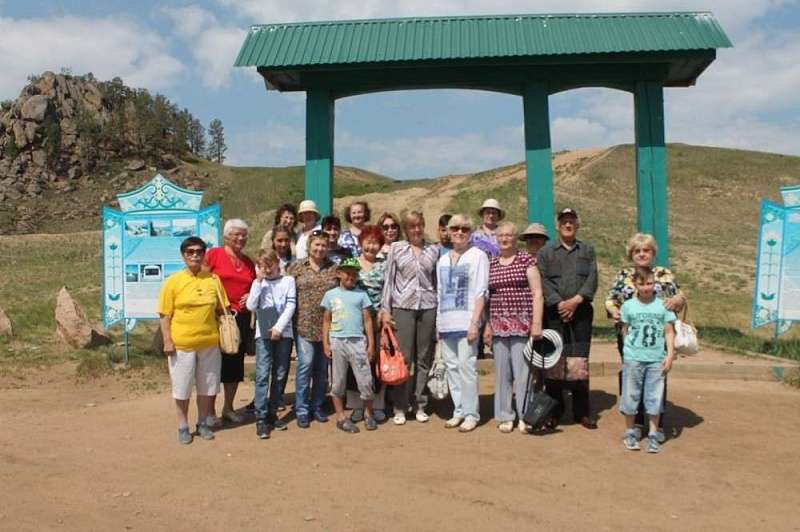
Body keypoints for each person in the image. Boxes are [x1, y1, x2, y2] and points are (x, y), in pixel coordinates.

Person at [605, 233, 686, 440]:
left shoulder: (663, 273)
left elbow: (680, 295)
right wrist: (614, 311)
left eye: (646, 250)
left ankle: (656, 425)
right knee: (632, 376)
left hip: (658, 337)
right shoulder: (624, 274)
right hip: (630, 337)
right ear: (631, 254)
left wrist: (677, 300)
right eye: (637, 251)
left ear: (653, 253)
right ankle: (635, 422)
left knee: (657, 376)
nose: (641, 254)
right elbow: (610, 298)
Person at [158, 237, 228, 444]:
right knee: (182, 387)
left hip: (209, 343)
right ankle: (182, 426)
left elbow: (221, 309)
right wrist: (167, 340)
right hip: (182, 344)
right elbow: (164, 314)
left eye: (199, 251)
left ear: (204, 254)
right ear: (183, 255)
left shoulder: (213, 280)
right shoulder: (173, 282)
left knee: (208, 386)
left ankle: (203, 423)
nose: (195, 255)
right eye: (190, 252)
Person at [537, 208, 599, 430]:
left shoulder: (588, 250)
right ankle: (554, 412)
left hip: (580, 313)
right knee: (554, 363)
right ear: (558, 225)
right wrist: (559, 302)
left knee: (579, 362)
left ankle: (581, 412)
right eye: (564, 221)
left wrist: (575, 301)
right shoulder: (546, 252)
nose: (568, 224)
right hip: (554, 314)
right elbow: (542, 280)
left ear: (577, 224)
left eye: (572, 221)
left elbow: (592, 279)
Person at [380, 211, 440, 425]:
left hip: (428, 307)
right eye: (412, 226)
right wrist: (385, 311)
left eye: (420, 225)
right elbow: (388, 281)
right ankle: (400, 406)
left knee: (424, 358)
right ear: (406, 229)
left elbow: (437, 283)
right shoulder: (397, 249)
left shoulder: (434, 250)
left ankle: (420, 404)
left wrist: (439, 314)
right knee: (403, 359)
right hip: (402, 307)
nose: (417, 230)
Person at [484, 221, 544, 434]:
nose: (504, 239)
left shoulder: (526, 259)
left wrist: (536, 324)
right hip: (499, 325)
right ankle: (504, 415)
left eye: (509, 235)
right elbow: (487, 296)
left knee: (523, 373)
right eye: (500, 235)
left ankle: (525, 415)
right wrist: (487, 326)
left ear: (515, 237)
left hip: (522, 325)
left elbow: (537, 293)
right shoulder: (491, 262)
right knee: (502, 374)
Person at [436, 213, 489, 433]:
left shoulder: (478, 255)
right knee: (452, 368)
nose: (459, 232)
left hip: (467, 321)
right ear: (448, 231)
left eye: (464, 229)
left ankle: (471, 413)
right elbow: (440, 293)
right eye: (455, 228)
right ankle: (458, 410)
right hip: (447, 322)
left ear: (471, 232)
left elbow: (481, 291)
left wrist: (475, 322)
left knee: (467, 368)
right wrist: (438, 324)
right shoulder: (442, 259)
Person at [619, 266, 676, 454]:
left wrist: (669, 355)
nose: (646, 288)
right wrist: (628, 350)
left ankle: (652, 434)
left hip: (656, 359)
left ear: (655, 284)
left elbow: (669, 331)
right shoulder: (628, 306)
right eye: (641, 284)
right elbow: (625, 329)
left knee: (654, 397)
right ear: (635, 284)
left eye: (650, 283)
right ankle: (630, 432)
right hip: (634, 357)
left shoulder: (662, 305)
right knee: (630, 395)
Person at [204, 218, 256, 425]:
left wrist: (250, 294)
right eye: (236, 234)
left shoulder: (248, 262)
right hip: (217, 318)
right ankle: (208, 412)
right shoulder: (214, 255)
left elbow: (255, 285)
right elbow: (202, 279)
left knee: (235, 364)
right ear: (225, 236)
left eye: (243, 234)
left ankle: (228, 407)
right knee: (212, 365)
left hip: (240, 318)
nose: (241, 238)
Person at [287, 230, 339, 428]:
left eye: (323, 245)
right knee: (305, 365)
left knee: (321, 369)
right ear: (309, 246)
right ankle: (301, 408)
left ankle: (317, 405)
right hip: (303, 325)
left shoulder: (334, 268)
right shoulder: (296, 267)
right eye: (316, 245)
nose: (320, 248)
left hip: (328, 327)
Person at [322, 258, 378, 433]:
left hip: (357, 341)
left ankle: (369, 413)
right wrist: (325, 342)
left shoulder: (361, 295)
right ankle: (340, 417)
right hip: (337, 341)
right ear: (339, 273)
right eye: (348, 273)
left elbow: (367, 320)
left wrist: (370, 344)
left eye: (355, 274)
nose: (351, 277)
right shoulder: (330, 295)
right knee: (337, 381)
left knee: (365, 380)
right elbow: (326, 320)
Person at [246, 249, 296, 439]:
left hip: (283, 332)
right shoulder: (258, 283)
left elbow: (291, 305)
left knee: (281, 372)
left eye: (269, 265)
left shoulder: (288, 281)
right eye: (262, 266)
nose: (266, 269)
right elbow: (251, 306)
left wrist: (279, 327)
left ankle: (273, 411)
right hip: (263, 333)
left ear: (277, 263)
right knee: (262, 373)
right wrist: (258, 282)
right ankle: (260, 416)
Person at [348, 225, 387, 422]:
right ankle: (356, 405)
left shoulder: (384, 264)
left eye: (375, 243)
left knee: (376, 361)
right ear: (361, 242)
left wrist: (384, 312)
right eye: (368, 242)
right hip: (355, 319)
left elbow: (388, 291)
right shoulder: (352, 263)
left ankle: (377, 404)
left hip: (377, 318)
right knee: (356, 361)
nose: (371, 246)